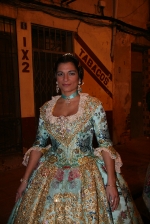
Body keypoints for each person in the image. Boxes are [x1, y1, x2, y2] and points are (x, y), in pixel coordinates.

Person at [8, 53, 143, 223]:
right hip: (50, 175)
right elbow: (38, 145)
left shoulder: (93, 106)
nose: (65, 78)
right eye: (60, 73)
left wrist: (111, 183)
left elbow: (106, 145)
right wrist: (24, 180)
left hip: (86, 175)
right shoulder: (46, 109)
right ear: (55, 78)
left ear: (79, 77)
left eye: (71, 73)